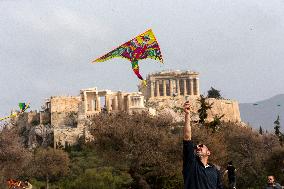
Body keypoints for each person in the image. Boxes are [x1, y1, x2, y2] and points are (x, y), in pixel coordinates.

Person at [183, 101, 223, 189]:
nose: (197, 147)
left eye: (201, 146)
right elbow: (187, 136)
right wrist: (187, 115)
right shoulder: (191, 164)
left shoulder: (215, 171)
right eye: (196, 147)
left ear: (208, 152)